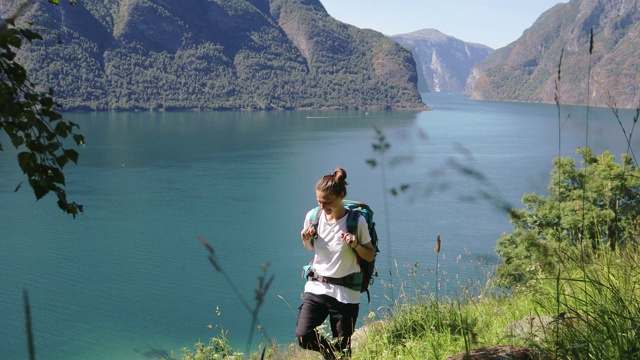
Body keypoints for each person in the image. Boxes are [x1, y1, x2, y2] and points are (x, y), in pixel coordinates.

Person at [295, 168, 376, 359]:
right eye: (319, 202)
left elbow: (370, 255)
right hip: (316, 287)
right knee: (303, 335)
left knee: (344, 349)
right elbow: (309, 247)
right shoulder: (313, 216)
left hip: (345, 293)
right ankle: (329, 355)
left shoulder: (357, 221)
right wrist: (304, 237)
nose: (323, 206)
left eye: (327, 202)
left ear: (341, 196)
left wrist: (355, 244)